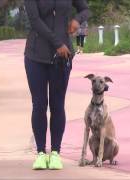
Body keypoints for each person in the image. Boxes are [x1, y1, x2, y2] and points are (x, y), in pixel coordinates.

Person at [24, 0, 90, 170]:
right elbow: (35, 21)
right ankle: (40, 153)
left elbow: (85, 9)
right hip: (35, 55)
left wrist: (77, 20)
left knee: (57, 104)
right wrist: (57, 43)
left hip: (62, 57)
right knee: (39, 104)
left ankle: (55, 153)